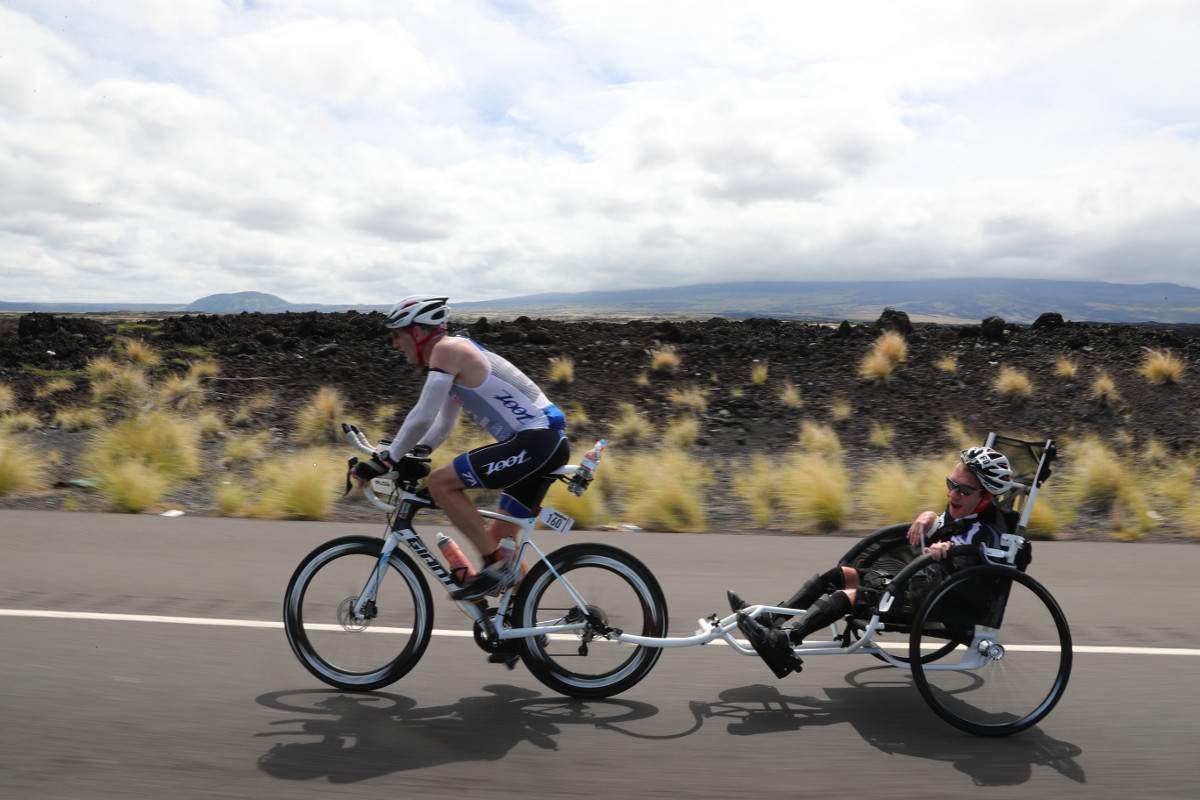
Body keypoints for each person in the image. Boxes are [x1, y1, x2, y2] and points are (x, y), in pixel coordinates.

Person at [351, 295, 569, 601]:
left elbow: (422, 414)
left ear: (417, 332)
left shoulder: (446, 349)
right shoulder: (454, 357)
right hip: (543, 444)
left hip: (537, 440)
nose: (394, 344)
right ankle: (525, 634)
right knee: (496, 539)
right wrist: (417, 454)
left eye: (397, 334)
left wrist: (386, 460)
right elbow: (442, 424)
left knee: (441, 483)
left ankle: (495, 567)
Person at [729, 446, 1015, 679]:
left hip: (936, 602)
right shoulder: (966, 512)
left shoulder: (988, 533)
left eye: (962, 490)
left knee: (850, 595)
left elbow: (981, 565)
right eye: (951, 484)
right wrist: (929, 515)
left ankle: (784, 642)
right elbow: (942, 524)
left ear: (986, 496)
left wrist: (952, 552)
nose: (953, 494)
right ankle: (771, 620)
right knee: (839, 575)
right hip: (916, 587)